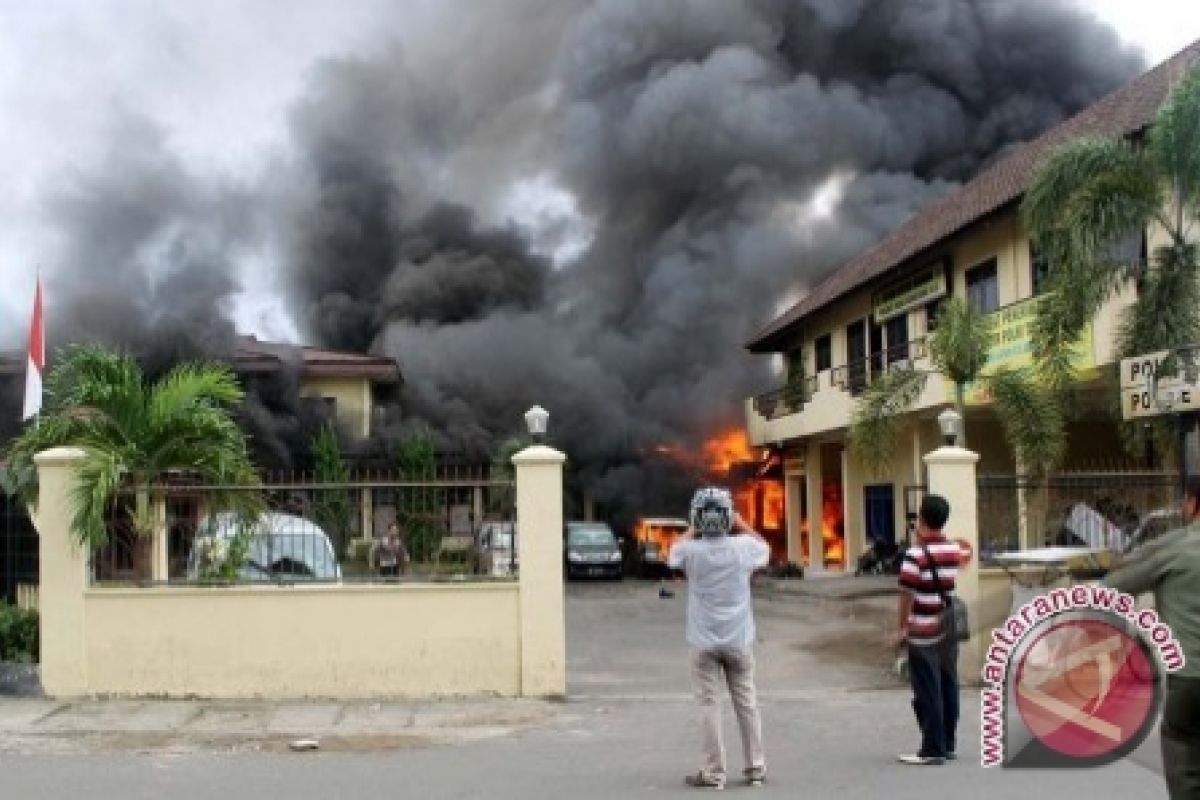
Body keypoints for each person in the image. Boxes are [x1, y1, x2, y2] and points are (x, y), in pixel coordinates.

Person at [668, 487, 770, 790]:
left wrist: (693, 529)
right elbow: (764, 547)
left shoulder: (690, 551)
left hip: (703, 642)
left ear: (697, 518)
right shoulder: (743, 547)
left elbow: (672, 553)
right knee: (747, 703)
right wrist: (740, 523)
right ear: (728, 517)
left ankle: (713, 773)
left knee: (708, 705)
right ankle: (755, 768)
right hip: (738, 640)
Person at [1106, 477, 1200, 799]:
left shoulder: (1173, 548)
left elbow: (1115, 586)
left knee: (1184, 756)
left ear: (1191, 503)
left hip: (1189, 678)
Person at [890, 494, 962, 766]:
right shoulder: (953, 550)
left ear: (921, 519)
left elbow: (907, 594)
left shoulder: (915, 555)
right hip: (946, 627)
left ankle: (932, 748)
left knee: (927, 689)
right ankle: (947, 742)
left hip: (922, 630)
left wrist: (901, 628)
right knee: (947, 684)